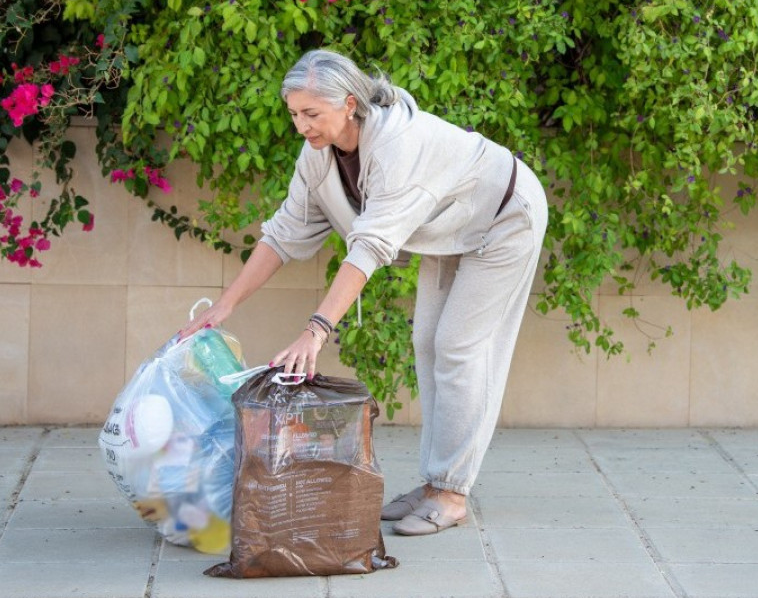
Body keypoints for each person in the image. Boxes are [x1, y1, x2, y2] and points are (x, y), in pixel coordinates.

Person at [179, 49, 548, 536]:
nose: (301, 126)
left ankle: (452, 492)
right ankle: (435, 482)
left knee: (459, 347)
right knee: (428, 343)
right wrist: (223, 306)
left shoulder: (398, 146)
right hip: (451, 228)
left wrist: (316, 331)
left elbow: (369, 247)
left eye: (311, 113)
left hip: (504, 217)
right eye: (293, 113)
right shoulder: (317, 155)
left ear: (349, 103)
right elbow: (284, 232)